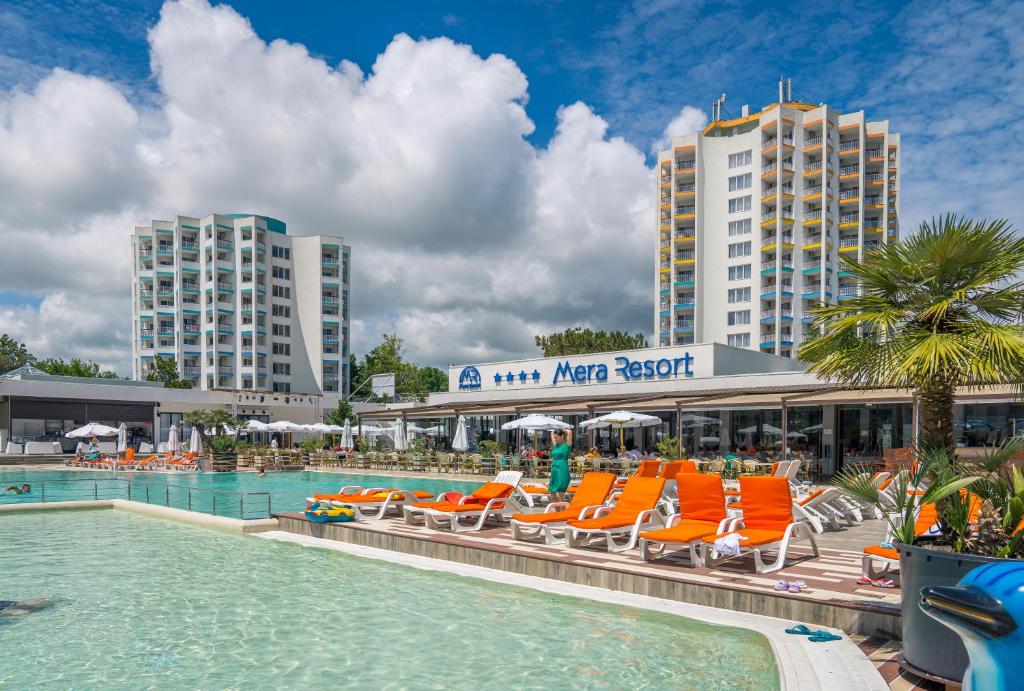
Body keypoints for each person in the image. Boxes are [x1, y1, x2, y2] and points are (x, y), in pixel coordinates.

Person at [547, 429, 572, 501]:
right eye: (554, 437)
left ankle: (562, 511)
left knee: (561, 495)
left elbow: (569, 432)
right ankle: (558, 512)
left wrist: (564, 430)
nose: (555, 439)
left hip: (562, 469)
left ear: (562, 436)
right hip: (554, 469)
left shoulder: (567, 445)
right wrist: (556, 432)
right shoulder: (555, 445)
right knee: (552, 494)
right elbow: (552, 433)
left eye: (557, 437)